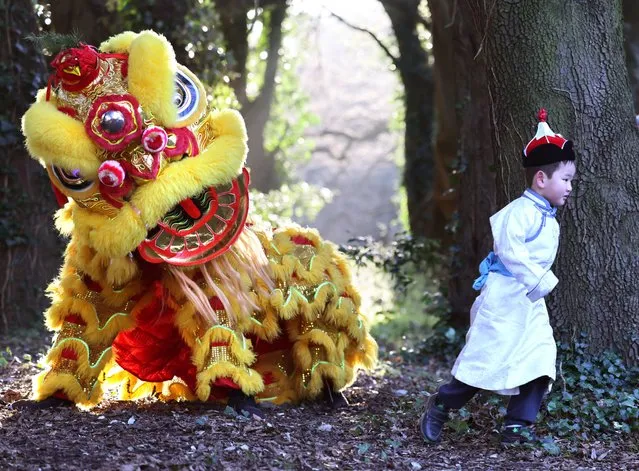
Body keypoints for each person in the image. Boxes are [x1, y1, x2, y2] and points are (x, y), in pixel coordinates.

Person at [420, 109, 576, 445]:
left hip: (530, 304)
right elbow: (510, 251)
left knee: (539, 358)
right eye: (565, 179)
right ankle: (442, 404)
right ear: (540, 179)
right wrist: (540, 279)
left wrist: (537, 285)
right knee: (486, 358)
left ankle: (517, 425)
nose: (570, 187)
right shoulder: (516, 213)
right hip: (503, 297)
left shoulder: (548, 218)